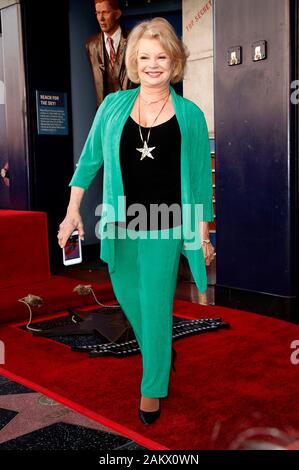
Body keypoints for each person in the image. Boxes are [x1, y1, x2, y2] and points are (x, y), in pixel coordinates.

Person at [58, 17, 215, 425]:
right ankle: (160, 351)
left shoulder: (190, 115)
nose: (152, 64)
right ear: (133, 61)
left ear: (174, 61)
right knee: (130, 299)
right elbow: (90, 160)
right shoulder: (112, 107)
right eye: (144, 56)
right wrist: (73, 209)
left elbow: (199, 182)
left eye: (161, 56)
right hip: (119, 224)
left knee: (156, 304)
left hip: (166, 225)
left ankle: (152, 387)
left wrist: (202, 235)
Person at [86, 0, 135, 106]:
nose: (100, 18)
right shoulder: (91, 45)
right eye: (98, 13)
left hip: (131, 109)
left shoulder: (134, 39)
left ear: (117, 14)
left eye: (105, 12)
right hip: (106, 112)